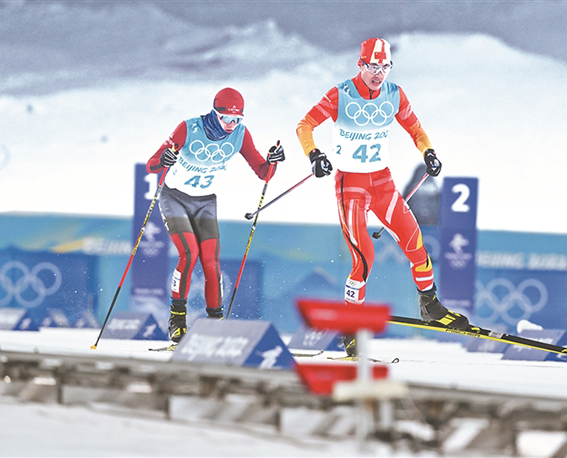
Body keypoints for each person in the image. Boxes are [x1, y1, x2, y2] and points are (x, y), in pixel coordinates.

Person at [296, 38, 471, 355]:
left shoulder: (394, 94)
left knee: (415, 243)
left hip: (382, 183)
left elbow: (416, 130)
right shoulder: (340, 94)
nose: (379, 73)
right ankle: (350, 329)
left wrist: (429, 152)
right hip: (351, 186)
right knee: (363, 258)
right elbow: (305, 125)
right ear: (360, 64)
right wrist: (314, 155)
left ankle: (430, 305)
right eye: (373, 66)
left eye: (385, 67)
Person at [147, 87, 285, 343]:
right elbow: (151, 164)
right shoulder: (188, 128)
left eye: (237, 119)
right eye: (226, 118)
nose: (231, 124)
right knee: (189, 254)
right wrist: (164, 159)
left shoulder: (240, 135)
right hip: (174, 198)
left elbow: (263, 172)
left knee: (211, 262)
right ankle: (177, 320)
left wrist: (273, 160)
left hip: (205, 202)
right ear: (214, 113)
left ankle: (215, 324)